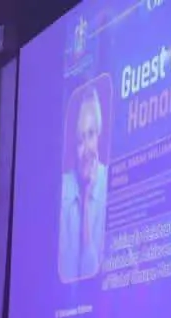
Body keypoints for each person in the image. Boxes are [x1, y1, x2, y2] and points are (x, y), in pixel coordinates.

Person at [59, 85, 108, 283]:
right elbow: (68, 275)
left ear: (99, 135)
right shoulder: (63, 189)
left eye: (91, 135)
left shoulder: (111, 182)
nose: (87, 148)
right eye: (80, 141)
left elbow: (92, 275)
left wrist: (86, 204)